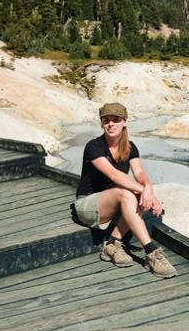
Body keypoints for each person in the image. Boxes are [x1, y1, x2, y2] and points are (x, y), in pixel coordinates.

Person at [72, 102, 177, 279]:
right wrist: (148, 194)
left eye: (116, 120)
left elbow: (139, 172)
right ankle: (151, 253)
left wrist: (148, 189)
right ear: (101, 124)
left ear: (124, 123)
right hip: (88, 206)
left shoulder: (130, 147)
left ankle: (112, 244)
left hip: (115, 205)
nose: (111, 124)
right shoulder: (94, 147)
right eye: (106, 120)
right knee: (128, 192)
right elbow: (115, 176)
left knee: (137, 194)